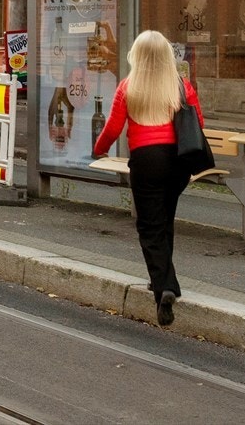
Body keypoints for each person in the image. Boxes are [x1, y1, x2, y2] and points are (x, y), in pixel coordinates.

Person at [93, 30, 205, 328]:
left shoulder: (128, 87)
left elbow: (113, 127)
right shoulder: (182, 86)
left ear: (137, 56)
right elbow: (199, 124)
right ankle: (169, 282)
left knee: (149, 225)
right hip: (178, 161)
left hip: (146, 160)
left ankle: (163, 288)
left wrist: (99, 149)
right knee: (164, 218)